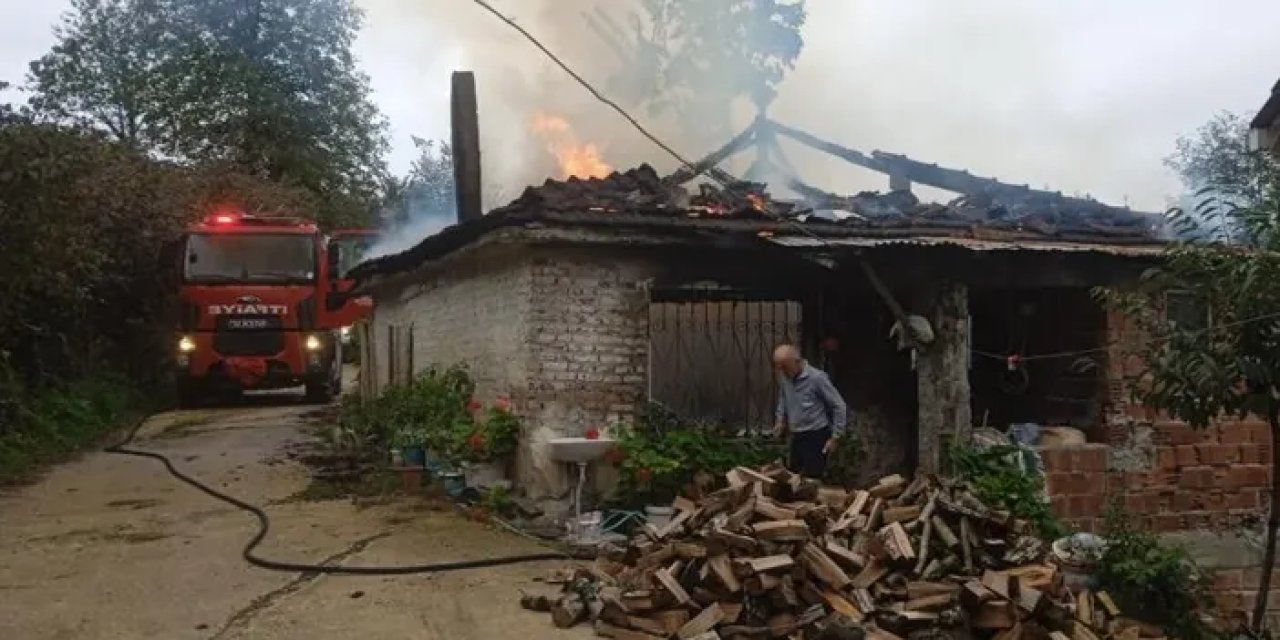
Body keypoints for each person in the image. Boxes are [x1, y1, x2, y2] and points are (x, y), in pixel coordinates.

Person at [772, 344, 848, 479]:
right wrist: (780, 421)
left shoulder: (817, 378)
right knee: (793, 478)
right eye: (779, 368)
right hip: (796, 436)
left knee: (811, 480)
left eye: (785, 367)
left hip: (816, 436)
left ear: (797, 362)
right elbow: (783, 400)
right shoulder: (786, 379)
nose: (782, 372)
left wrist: (836, 436)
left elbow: (839, 405)